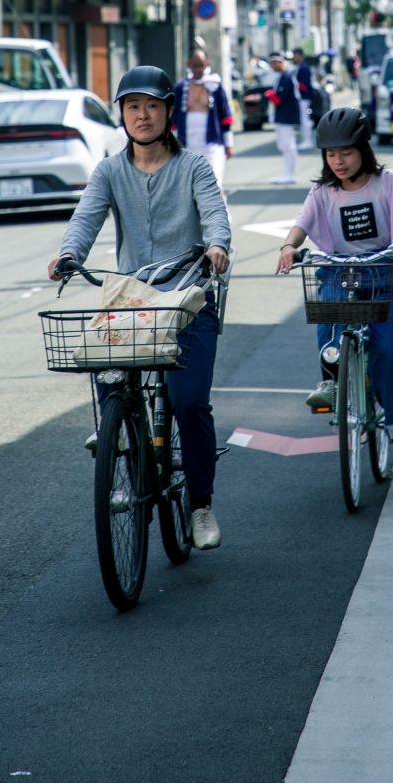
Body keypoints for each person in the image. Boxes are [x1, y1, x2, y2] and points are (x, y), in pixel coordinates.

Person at [47, 65, 231, 551]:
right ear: (123, 116)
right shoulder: (108, 170)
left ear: (169, 111)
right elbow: (85, 217)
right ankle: (117, 427)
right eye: (132, 107)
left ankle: (200, 506)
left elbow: (214, 212)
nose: (142, 116)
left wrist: (216, 246)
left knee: (189, 402)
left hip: (188, 297)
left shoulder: (194, 166)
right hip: (133, 299)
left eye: (152, 105)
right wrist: (70, 255)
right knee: (99, 355)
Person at [275, 108, 393, 478]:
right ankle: (332, 379)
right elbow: (302, 224)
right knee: (329, 319)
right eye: (331, 154)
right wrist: (287, 246)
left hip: (383, 272)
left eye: (346, 152)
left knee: (388, 350)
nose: (338, 161)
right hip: (341, 271)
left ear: (363, 149)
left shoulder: (385, 182)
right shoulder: (323, 191)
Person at [171, 48, 235, 194]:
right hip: (187, 144)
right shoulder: (180, 88)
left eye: (201, 65)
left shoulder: (215, 86)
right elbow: (172, 119)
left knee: (214, 182)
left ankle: (221, 215)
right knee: (191, 188)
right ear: (189, 65)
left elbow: (225, 117)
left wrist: (229, 144)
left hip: (212, 143)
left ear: (207, 64)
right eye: (195, 65)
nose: (198, 69)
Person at [266, 51, 300, 184]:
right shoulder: (282, 76)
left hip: (286, 116)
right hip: (283, 116)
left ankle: (289, 175)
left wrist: (269, 95)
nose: (272, 66)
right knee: (284, 145)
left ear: (280, 62)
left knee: (288, 145)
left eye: (274, 63)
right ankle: (287, 173)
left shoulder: (286, 77)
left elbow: (279, 99)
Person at [290, 46, 315, 150]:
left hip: (304, 96)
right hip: (301, 97)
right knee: (303, 120)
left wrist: (294, 83)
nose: (294, 58)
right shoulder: (299, 66)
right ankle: (305, 140)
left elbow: (305, 84)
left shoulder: (304, 67)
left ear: (300, 56)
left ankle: (307, 141)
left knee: (305, 120)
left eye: (295, 56)